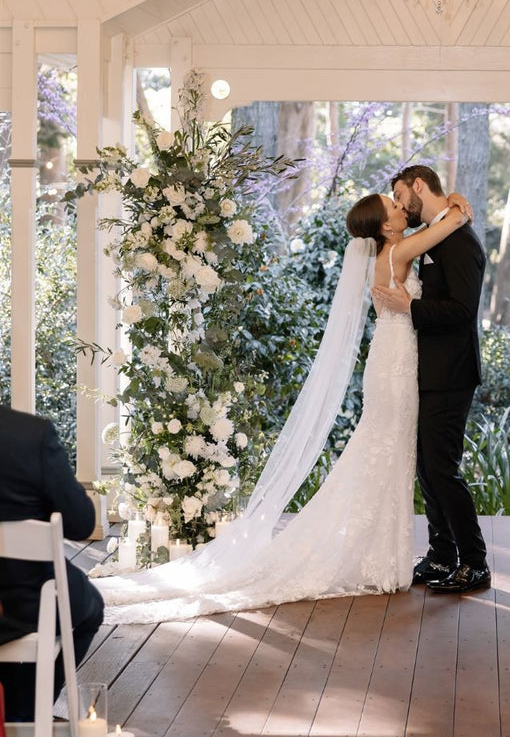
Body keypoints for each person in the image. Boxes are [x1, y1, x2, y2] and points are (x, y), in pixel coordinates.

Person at [95, 192, 469, 623]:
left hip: (393, 357)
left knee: (388, 452)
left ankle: (385, 555)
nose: (405, 209)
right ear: (385, 226)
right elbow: (447, 225)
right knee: (388, 451)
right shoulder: (398, 250)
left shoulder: (387, 250)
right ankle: (382, 557)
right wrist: (456, 205)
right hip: (396, 367)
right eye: (396, 207)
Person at [373, 165, 489, 595]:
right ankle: (442, 554)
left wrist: (411, 310)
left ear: (419, 185)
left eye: (403, 195)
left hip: (451, 372)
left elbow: (462, 311)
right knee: (427, 467)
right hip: (426, 370)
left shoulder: (459, 242)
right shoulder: (440, 232)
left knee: (442, 468)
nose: (402, 204)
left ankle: (475, 562)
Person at [0, 407, 104, 723]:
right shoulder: (30, 434)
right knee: (90, 606)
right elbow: (81, 523)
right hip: (24, 604)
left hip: (16, 606)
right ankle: (27, 712)